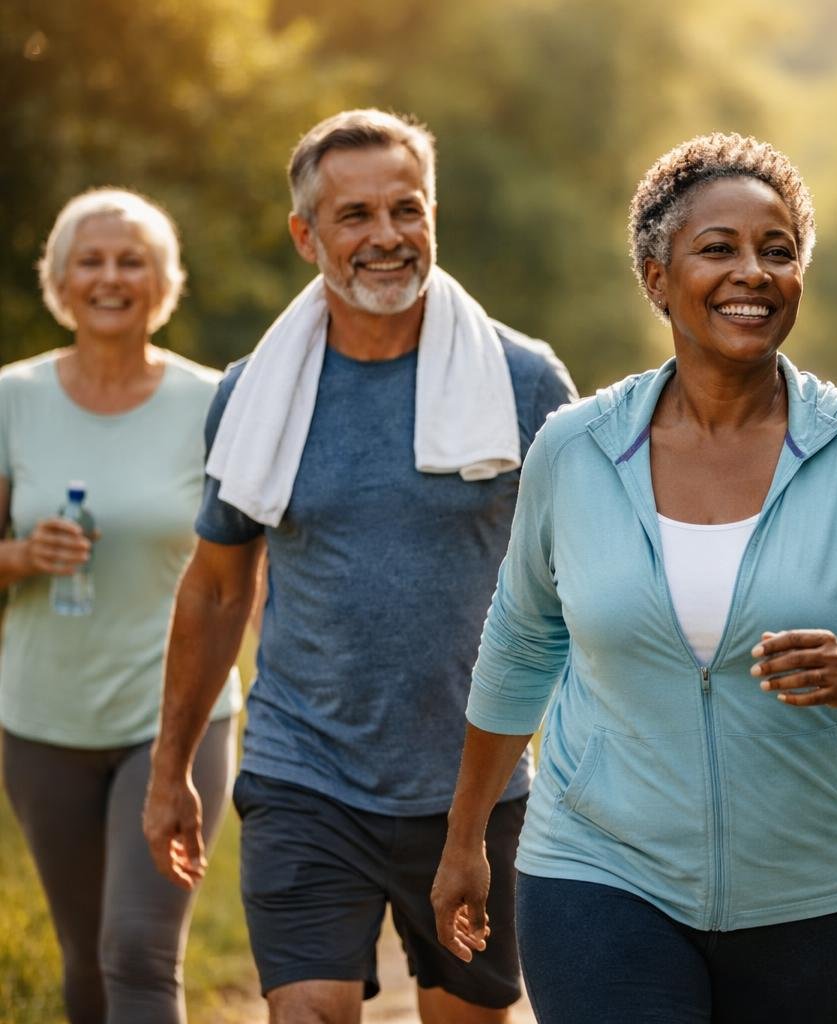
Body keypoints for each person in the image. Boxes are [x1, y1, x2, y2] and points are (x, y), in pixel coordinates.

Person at [429, 132, 837, 1024]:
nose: (752, 272)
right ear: (656, 277)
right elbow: (521, 643)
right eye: (718, 248)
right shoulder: (577, 449)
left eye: (778, 250)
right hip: (600, 869)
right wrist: (464, 840)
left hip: (816, 889)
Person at [140, 109, 575, 1023]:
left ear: (433, 217)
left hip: (475, 784)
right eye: (355, 216)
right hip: (304, 774)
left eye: (406, 210)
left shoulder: (525, 384)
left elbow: (583, 584)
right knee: (309, 1011)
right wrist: (170, 767)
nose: (386, 237)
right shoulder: (254, 393)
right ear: (307, 235)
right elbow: (219, 588)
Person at [0, 188, 240, 1023]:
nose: (110, 277)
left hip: (173, 714)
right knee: (86, 959)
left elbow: (250, 564)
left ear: (162, 283)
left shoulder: (213, 401)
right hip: (42, 717)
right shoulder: (13, 399)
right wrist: (22, 557)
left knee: (137, 952)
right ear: (61, 282)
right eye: (91, 261)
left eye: (131, 260)